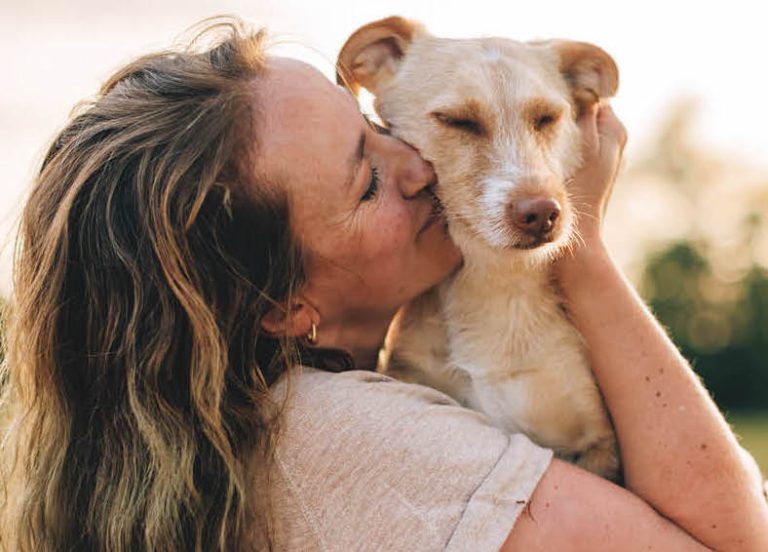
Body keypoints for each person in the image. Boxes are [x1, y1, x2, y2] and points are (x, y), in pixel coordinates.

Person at [0, 17, 765, 552]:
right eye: (368, 181)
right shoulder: (353, 438)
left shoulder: (247, 414)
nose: (417, 168)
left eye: (377, 131)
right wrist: (585, 242)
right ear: (282, 306)